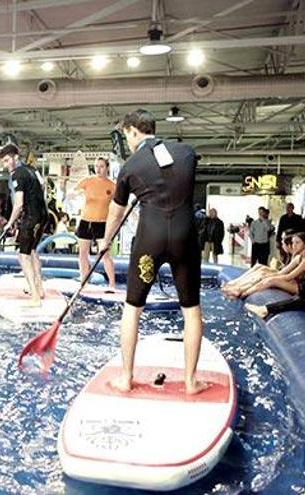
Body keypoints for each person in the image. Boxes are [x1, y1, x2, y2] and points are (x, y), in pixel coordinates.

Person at [99, 109, 206, 395]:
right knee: (191, 310)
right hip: (185, 239)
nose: (127, 141)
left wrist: (105, 240)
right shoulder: (186, 152)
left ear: (134, 131)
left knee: (133, 308)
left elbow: (116, 211)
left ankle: (125, 378)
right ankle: (190, 382)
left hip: (150, 241)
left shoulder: (131, 166)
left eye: (126, 135)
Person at [0, 143, 48, 307]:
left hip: (31, 217)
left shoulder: (17, 175)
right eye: (3, 162)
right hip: (43, 215)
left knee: (23, 256)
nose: (6, 165)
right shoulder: (32, 169)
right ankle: (39, 290)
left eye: (7, 161)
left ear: (15, 157)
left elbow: (18, 204)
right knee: (32, 251)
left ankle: (34, 297)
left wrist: (10, 223)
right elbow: (43, 186)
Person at [74, 157, 116, 286]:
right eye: (96, 166)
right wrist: (75, 194)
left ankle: (112, 284)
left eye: (101, 166)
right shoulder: (87, 181)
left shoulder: (112, 186)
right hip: (86, 221)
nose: (98, 169)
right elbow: (73, 193)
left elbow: (119, 205)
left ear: (107, 168)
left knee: (105, 255)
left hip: (102, 223)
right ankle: (84, 281)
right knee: (83, 254)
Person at [240, 232, 305, 298]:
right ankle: (242, 289)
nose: (294, 245)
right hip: (303, 282)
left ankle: (243, 294)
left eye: (297, 242)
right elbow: (282, 272)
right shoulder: (299, 256)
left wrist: (270, 278)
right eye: (293, 242)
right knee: (266, 276)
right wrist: (265, 276)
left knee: (271, 281)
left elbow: (289, 276)